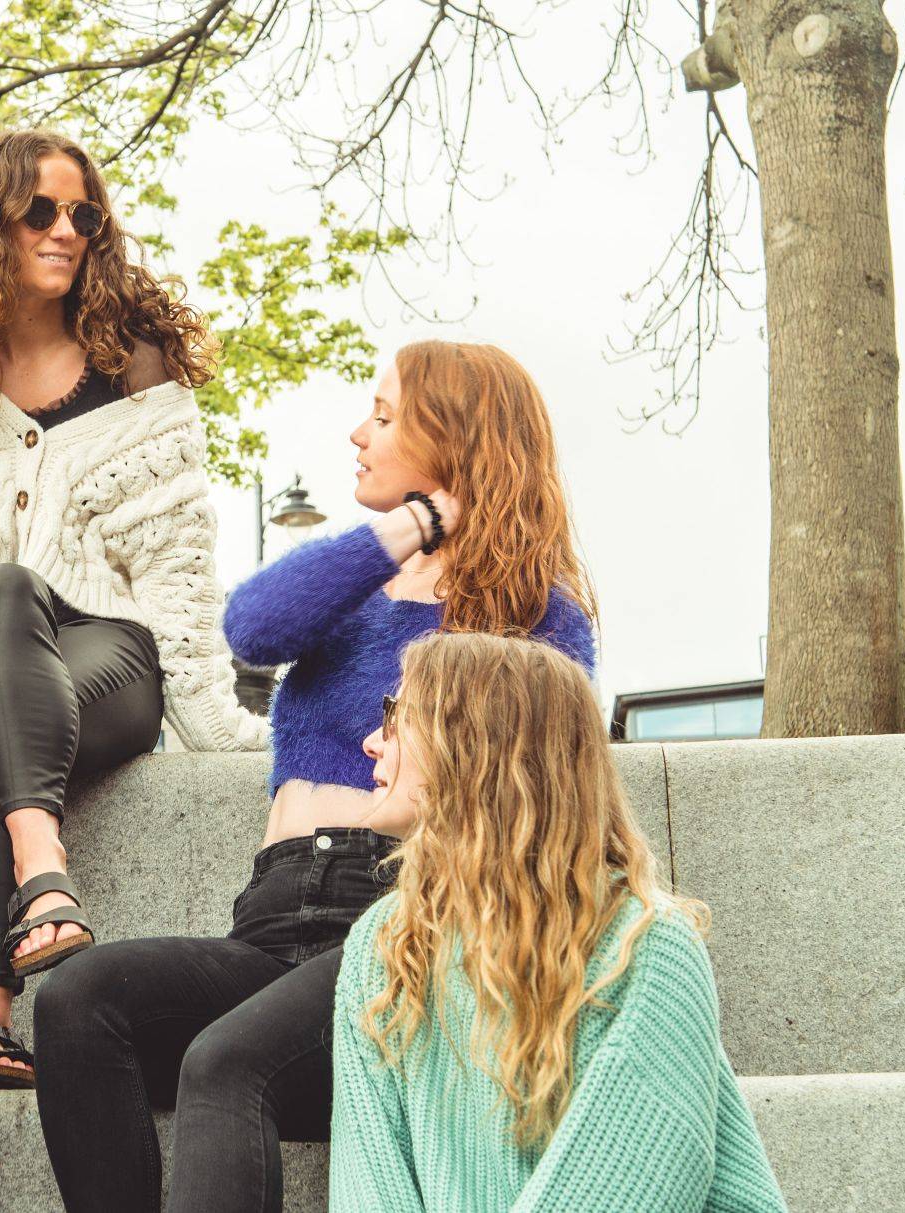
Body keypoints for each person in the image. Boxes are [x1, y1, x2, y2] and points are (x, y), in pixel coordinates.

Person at [33, 340, 597, 1212]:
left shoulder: (536, 613)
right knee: (80, 997)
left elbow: (541, 778)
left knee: (224, 1062)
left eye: (382, 413)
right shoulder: (354, 581)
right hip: (272, 924)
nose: (356, 433)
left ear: (451, 433)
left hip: (409, 923)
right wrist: (408, 529)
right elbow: (253, 627)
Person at [0, 129, 265, 1088]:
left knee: (15, 704)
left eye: (84, 213)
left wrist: (222, 723)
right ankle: (45, 868)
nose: (67, 229)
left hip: (101, 660)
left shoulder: (137, 367)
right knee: (4, 592)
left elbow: (177, 568)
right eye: (41, 209)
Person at [330, 631, 788, 1211]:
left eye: (398, 717)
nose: (373, 742)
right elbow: (367, 1192)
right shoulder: (386, 944)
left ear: (478, 746)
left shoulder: (646, 948)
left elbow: (625, 1195)